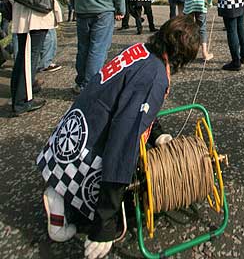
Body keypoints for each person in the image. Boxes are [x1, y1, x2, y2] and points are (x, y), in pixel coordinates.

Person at [37, 16, 199, 258]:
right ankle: (64, 204)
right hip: (88, 153)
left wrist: (157, 133)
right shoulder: (155, 76)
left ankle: (58, 190)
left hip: (68, 140)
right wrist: (105, 223)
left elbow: (128, 102)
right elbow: (124, 140)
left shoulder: (141, 50)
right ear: (182, 58)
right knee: (130, 197)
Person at [8, 0, 62, 115]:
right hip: (37, 18)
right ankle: (23, 102)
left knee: (22, 58)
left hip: (20, 17)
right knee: (30, 59)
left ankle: (19, 94)